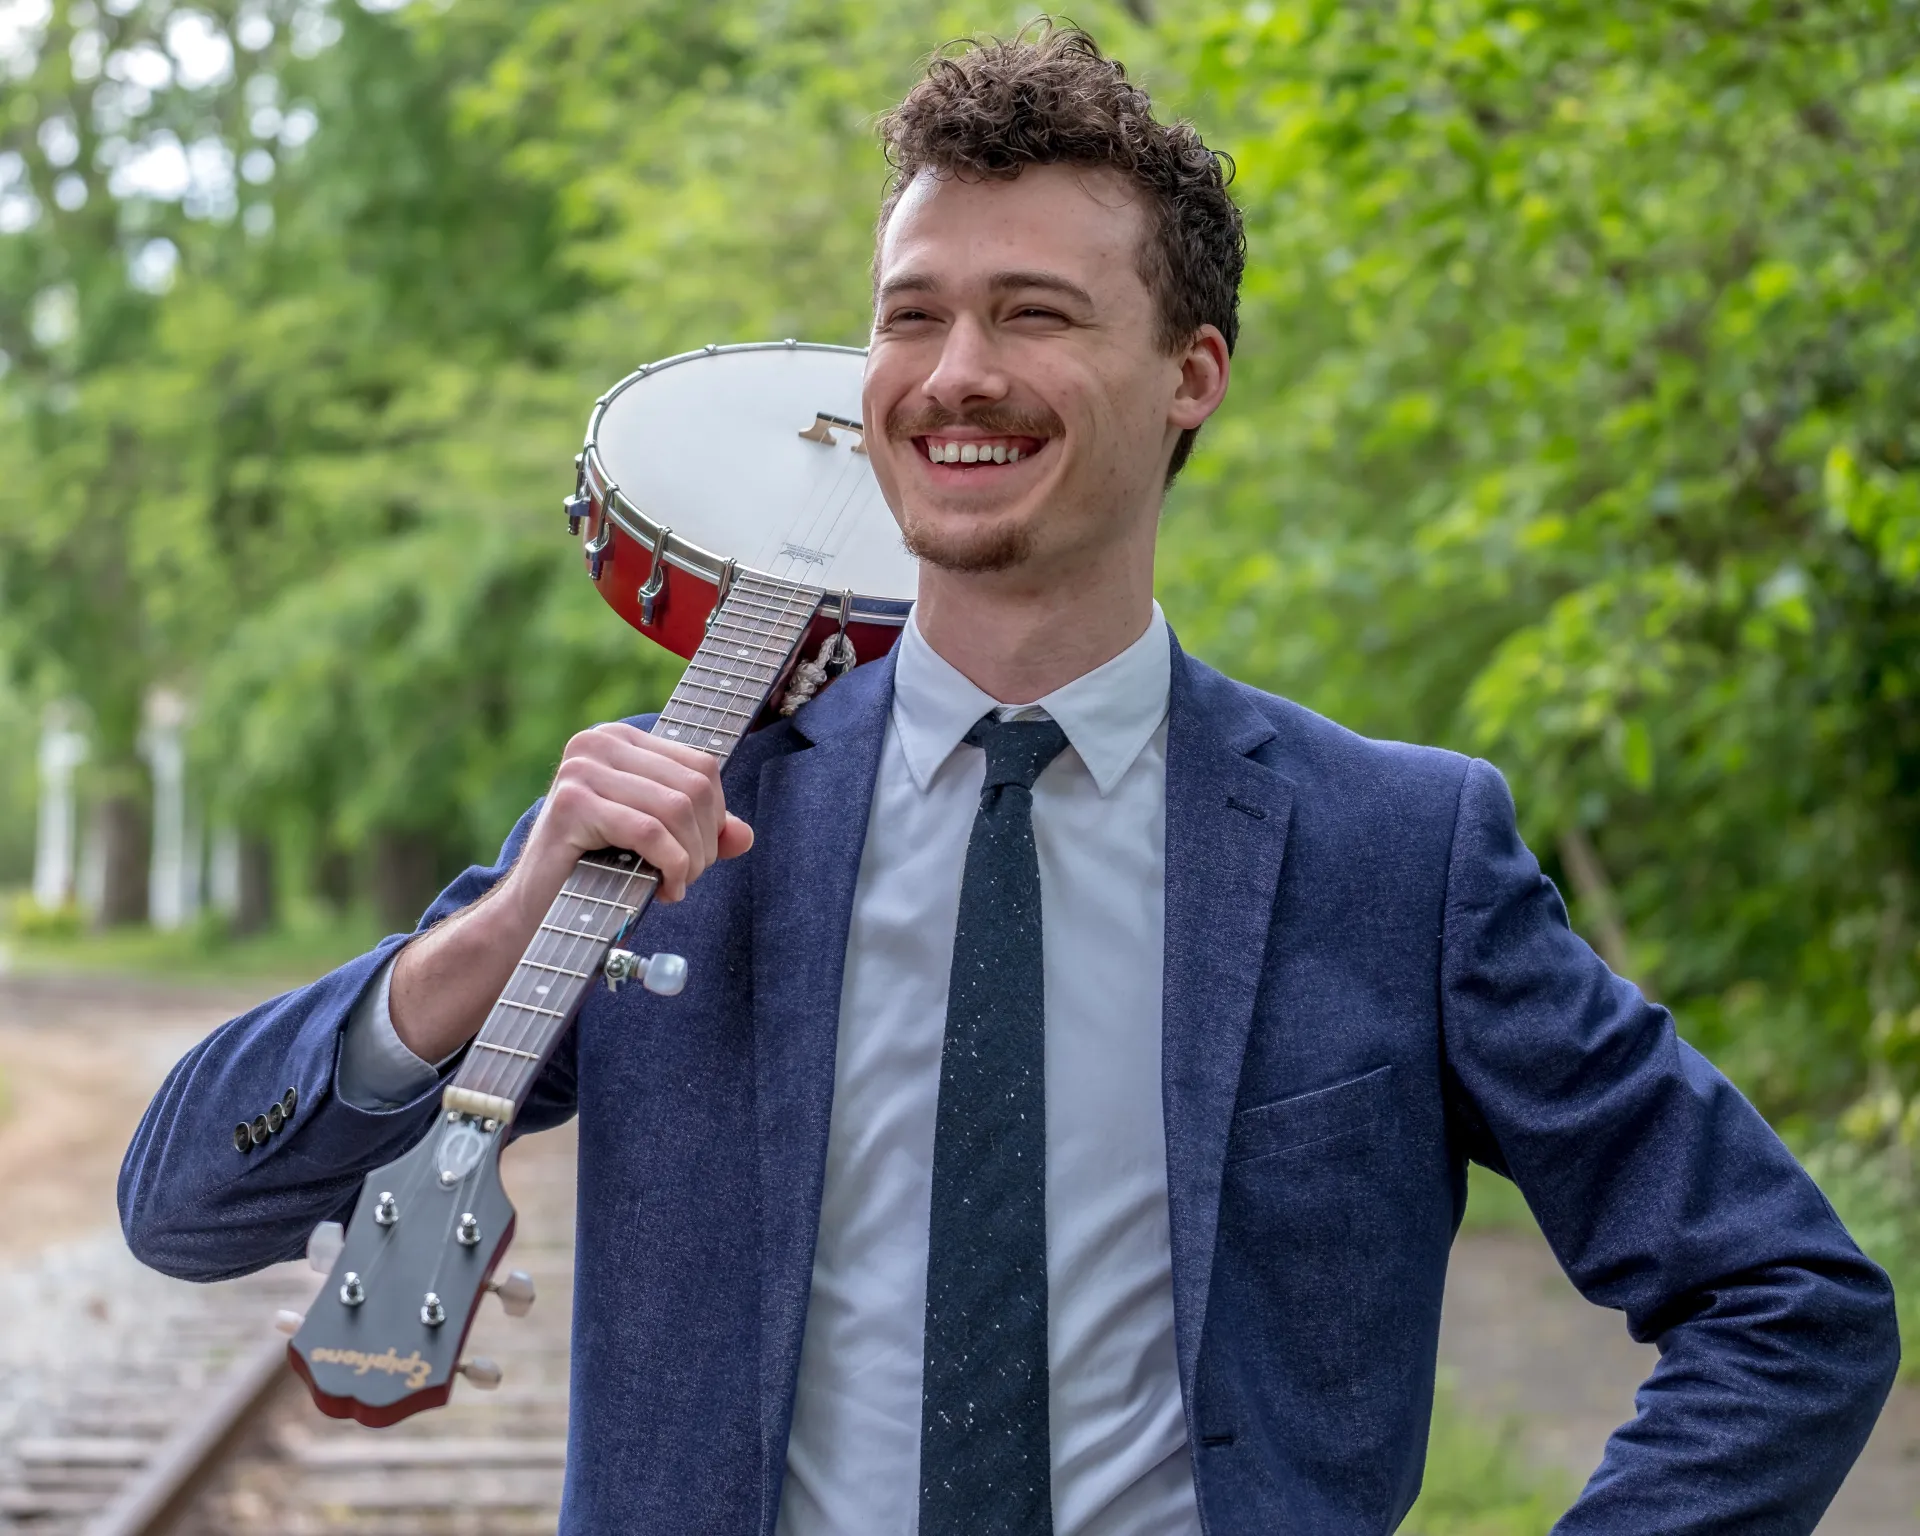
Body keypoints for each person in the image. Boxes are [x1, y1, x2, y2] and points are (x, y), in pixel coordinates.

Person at [120, 24, 1896, 1536]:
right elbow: (188, 1200)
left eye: (1036, 314)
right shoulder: (680, 827)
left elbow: (1788, 1300)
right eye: (914, 316)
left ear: (1190, 376)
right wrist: (501, 930)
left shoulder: (1395, 849)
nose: (958, 374)